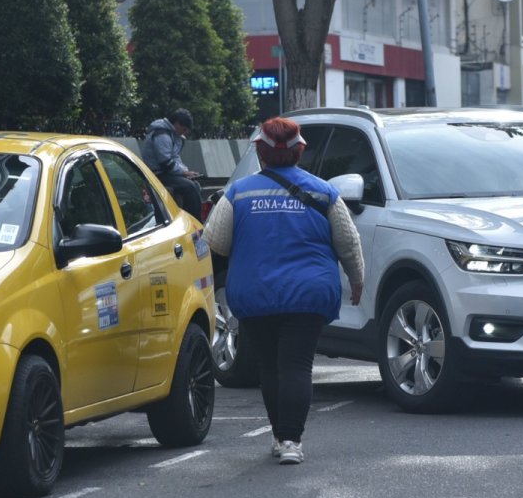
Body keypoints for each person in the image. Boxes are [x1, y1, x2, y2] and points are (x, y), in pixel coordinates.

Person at [202, 116, 364, 465]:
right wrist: (357, 279)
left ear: (259, 151)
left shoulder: (239, 192)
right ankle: (292, 440)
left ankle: (279, 435)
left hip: (255, 292)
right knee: (296, 365)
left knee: (269, 366)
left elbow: (215, 241)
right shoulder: (325, 191)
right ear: (300, 151)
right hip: (308, 294)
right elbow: (348, 243)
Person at [140, 108, 202, 216]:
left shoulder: (172, 135)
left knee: (195, 184)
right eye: (184, 129)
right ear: (177, 124)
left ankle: (189, 216)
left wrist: (185, 171)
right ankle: (194, 220)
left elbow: (175, 156)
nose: (185, 132)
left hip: (166, 172)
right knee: (189, 187)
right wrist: (182, 173)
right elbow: (165, 162)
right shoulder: (162, 135)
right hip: (157, 174)